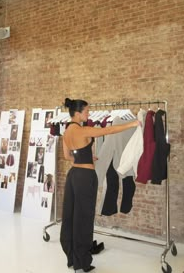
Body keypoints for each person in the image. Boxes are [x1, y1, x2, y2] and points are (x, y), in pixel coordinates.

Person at [60, 98, 141, 272]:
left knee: (71, 216)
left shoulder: (67, 132)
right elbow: (109, 129)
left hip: (73, 175)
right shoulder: (84, 130)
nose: (88, 114)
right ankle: (82, 262)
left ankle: (72, 258)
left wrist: (88, 157)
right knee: (84, 218)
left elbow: (68, 156)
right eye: (86, 111)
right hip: (85, 178)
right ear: (78, 112)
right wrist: (132, 124)